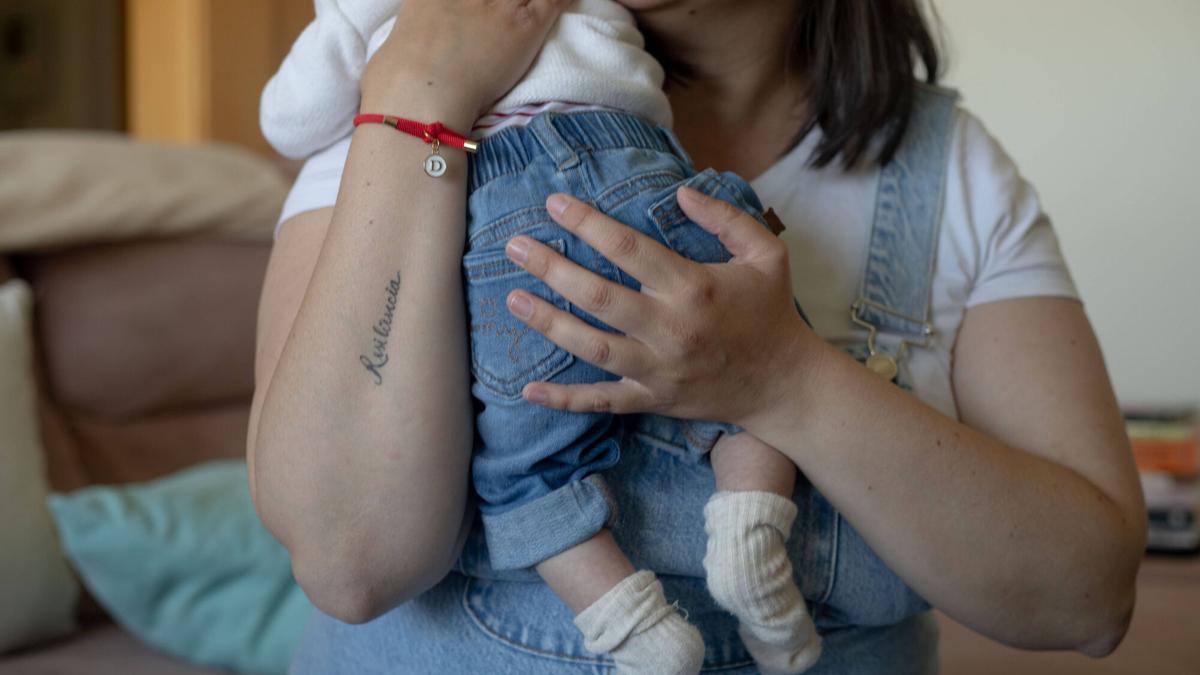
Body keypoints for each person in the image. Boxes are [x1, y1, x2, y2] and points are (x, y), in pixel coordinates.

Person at [248, 1, 1146, 672]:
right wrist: (416, 96)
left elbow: (1089, 596)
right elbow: (350, 561)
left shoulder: (947, 173)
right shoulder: (434, 95)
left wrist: (784, 382)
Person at [258, 1, 820, 672]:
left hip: (512, 206)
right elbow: (349, 560)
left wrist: (386, 66)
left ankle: (628, 620)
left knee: (527, 472)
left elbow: (287, 120)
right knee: (752, 359)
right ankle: (749, 522)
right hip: (647, 166)